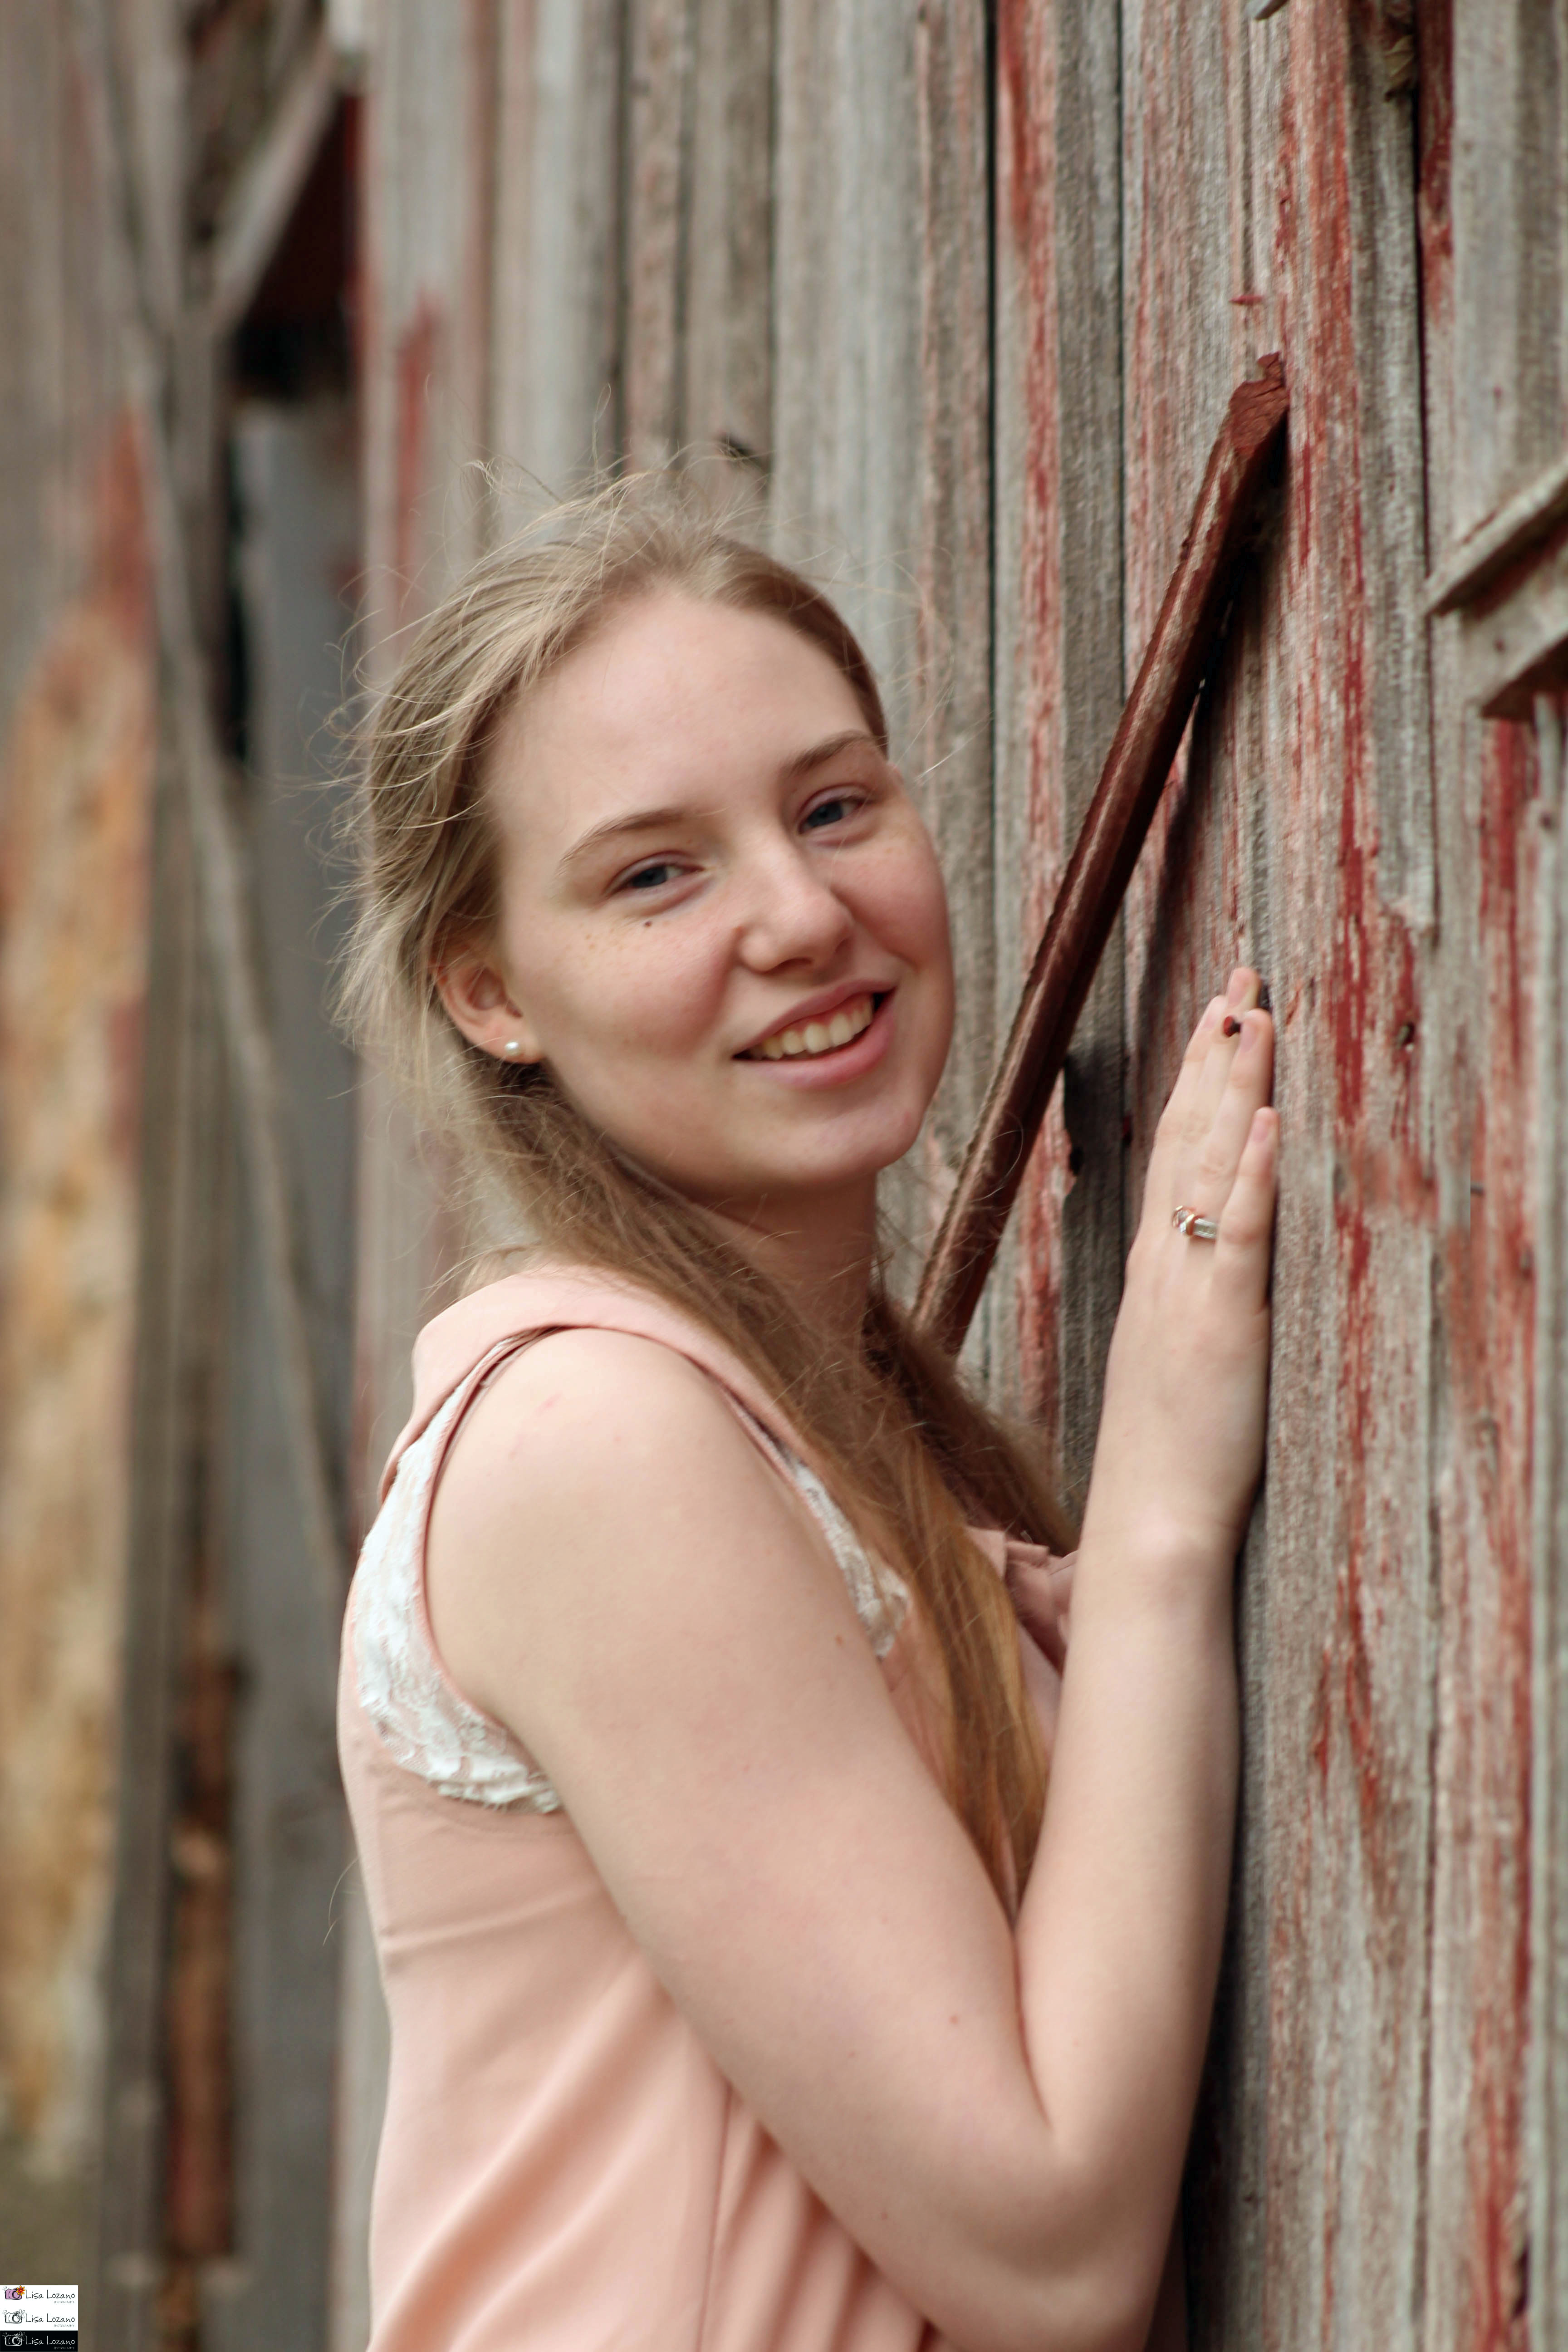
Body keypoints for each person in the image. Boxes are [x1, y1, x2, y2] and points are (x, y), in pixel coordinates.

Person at [336, 476, 1277, 2352]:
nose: (801, 912)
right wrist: (1164, 1517)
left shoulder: (813, 1427)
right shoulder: (594, 1441)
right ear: (492, 991)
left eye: (835, 807)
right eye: (655, 874)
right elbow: (1047, 2249)